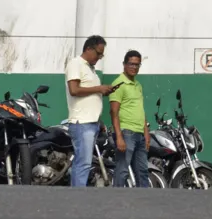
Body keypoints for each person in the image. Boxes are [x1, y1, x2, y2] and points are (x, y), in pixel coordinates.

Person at [64, 35, 116, 188]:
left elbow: (89, 97)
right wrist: (99, 89)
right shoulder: (75, 64)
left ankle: (78, 195)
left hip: (91, 122)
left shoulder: (90, 69)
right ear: (88, 49)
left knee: (85, 162)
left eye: (102, 54)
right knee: (83, 163)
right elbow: (74, 90)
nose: (100, 57)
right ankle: (78, 197)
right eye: (98, 53)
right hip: (82, 123)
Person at [108, 50, 151, 188]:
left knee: (143, 171)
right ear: (124, 64)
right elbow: (113, 113)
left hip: (140, 135)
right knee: (122, 170)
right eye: (131, 64)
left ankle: (143, 202)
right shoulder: (118, 84)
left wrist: (146, 133)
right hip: (126, 133)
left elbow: (141, 111)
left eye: (137, 65)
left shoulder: (138, 85)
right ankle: (117, 201)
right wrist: (119, 137)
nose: (134, 67)